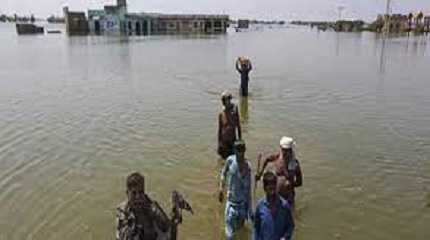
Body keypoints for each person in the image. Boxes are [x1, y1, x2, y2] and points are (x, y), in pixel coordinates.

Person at [116, 172, 171, 240]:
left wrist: (154, 213)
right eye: (134, 193)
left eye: (141, 192)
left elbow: (166, 228)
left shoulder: (152, 207)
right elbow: (121, 236)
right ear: (127, 193)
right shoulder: (122, 210)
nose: (138, 197)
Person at [219, 140, 253, 240]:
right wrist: (221, 188)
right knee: (229, 235)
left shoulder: (248, 166)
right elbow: (223, 173)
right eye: (238, 150)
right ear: (234, 150)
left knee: (240, 231)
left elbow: (248, 189)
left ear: (245, 150)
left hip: (242, 205)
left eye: (242, 150)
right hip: (231, 204)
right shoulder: (230, 160)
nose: (240, 153)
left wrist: (250, 209)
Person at [255, 137, 303, 206]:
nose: (285, 152)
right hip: (276, 196)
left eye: (288, 150)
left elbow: (299, 182)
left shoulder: (295, 163)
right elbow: (266, 159)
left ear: (291, 150)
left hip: (288, 197)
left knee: (290, 214)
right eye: (284, 150)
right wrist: (260, 173)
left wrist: (289, 184)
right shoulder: (277, 157)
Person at [253, 172, 295, 240]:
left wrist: (285, 237)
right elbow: (256, 227)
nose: (272, 190)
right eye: (270, 187)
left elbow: (291, 225)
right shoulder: (260, 205)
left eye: (274, 186)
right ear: (264, 188)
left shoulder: (284, 205)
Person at [218, 91, 242, 159]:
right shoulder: (221, 113)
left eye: (225, 100)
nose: (223, 103)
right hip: (224, 141)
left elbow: (238, 125)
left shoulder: (234, 110)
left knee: (234, 159)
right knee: (223, 160)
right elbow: (220, 129)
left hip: (232, 140)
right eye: (223, 101)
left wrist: (240, 139)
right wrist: (219, 143)